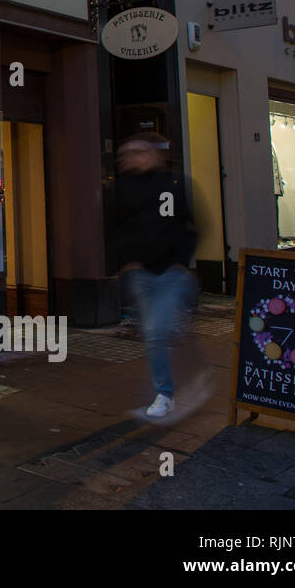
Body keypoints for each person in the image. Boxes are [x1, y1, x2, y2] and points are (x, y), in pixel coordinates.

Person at [114, 133, 197, 420]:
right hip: (141, 273)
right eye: (126, 154)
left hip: (168, 272)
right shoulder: (124, 188)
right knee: (154, 333)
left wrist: (180, 262)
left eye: (137, 152)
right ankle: (169, 385)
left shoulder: (172, 185)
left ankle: (165, 393)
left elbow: (187, 225)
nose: (129, 159)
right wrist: (126, 262)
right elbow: (119, 227)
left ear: (153, 154)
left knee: (154, 332)